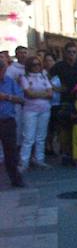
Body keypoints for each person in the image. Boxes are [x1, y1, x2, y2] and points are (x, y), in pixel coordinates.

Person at [49, 41, 77, 165]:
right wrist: (55, 88)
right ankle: (68, 154)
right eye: (69, 52)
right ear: (65, 53)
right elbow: (46, 77)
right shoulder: (59, 66)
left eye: (74, 52)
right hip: (66, 99)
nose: (71, 54)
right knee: (65, 130)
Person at [17, 56, 54, 171]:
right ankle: (24, 161)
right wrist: (43, 94)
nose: (37, 66)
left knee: (41, 136)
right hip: (30, 110)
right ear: (29, 66)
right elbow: (28, 94)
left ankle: (39, 159)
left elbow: (50, 93)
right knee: (28, 137)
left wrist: (36, 93)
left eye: (38, 64)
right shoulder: (24, 77)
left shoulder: (44, 76)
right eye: (34, 64)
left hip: (44, 109)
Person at [0, 58, 25, 188]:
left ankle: (16, 179)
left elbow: (21, 99)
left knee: (11, 152)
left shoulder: (9, 82)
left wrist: (7, 97)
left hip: (7, 121)